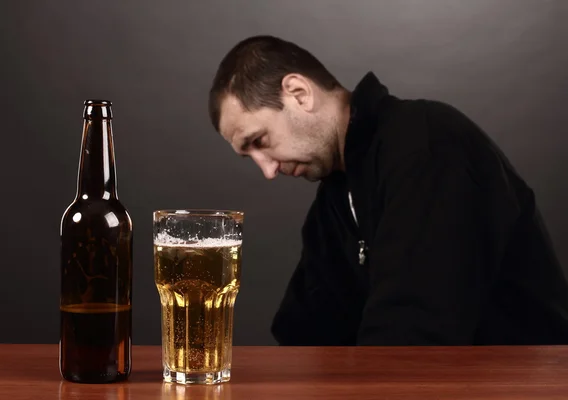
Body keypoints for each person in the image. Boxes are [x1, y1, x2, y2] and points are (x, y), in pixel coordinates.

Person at [208, 35, 568, 345]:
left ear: (299, 94)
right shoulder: (337, 197)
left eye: (259, 141)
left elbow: (413, 337)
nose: (268, 169)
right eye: (249, 156)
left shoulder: (428, 145)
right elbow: (305, 335)